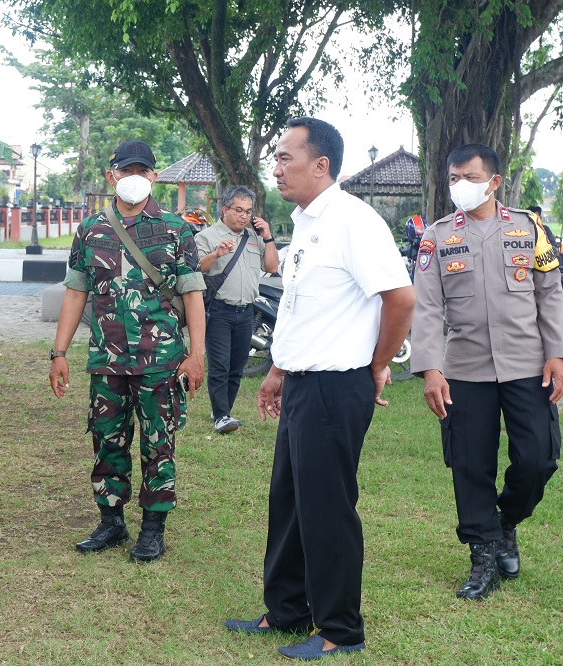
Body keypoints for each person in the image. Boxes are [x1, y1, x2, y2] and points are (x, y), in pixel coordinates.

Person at [224, 117, 414, 661]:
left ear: (321, 164)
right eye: (277, 158)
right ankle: (287, 608)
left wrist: (378, 364)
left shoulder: (353, 220)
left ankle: (340, 630)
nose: (277, 168)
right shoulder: (306, 222)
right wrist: (279, 369)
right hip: (303, 383)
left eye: (286, 157)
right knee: (288, 500)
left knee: (327, 508)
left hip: (336, 386)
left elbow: (400, 299)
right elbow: (298, 305)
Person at [411, 144, 563, 601]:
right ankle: (483, 556)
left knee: (539, 457)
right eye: (454, 178)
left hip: (527, 363)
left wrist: (557, 353)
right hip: (465, 367)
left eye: (470, 177)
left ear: (494, 182)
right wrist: (430, 368)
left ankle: (506, 521)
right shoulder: (437, 237)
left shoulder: (529, 228)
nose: (460, 185)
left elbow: (550, 292)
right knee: (470, 463)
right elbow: (427, 306)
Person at [49, 140, 206, 563]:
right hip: (107, 360)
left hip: (161, 361)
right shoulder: (90, 230)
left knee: (159, 444)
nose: (134, 177)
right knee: (107, 442)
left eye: (142, 170)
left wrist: (196, 355)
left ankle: (153, 530)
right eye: (126, 170)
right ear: (111, 175)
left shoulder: (175, 230)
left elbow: (193, 295)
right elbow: (75, 292)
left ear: (154, 176)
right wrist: (59, 353)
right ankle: (111, 522)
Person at [194, 185, 278, 433]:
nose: (244, 216)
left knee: (237, 365)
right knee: (219, 364)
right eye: (238, 210)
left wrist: (268, 237)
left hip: (247, 311)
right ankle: (222, 416)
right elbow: (195, 268)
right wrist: (216, 254)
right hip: (218, 310)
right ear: (225, 209)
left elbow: (272, 267)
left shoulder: (253, 237)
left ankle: (222, 410)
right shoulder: (207, 237)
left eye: (248, 211)